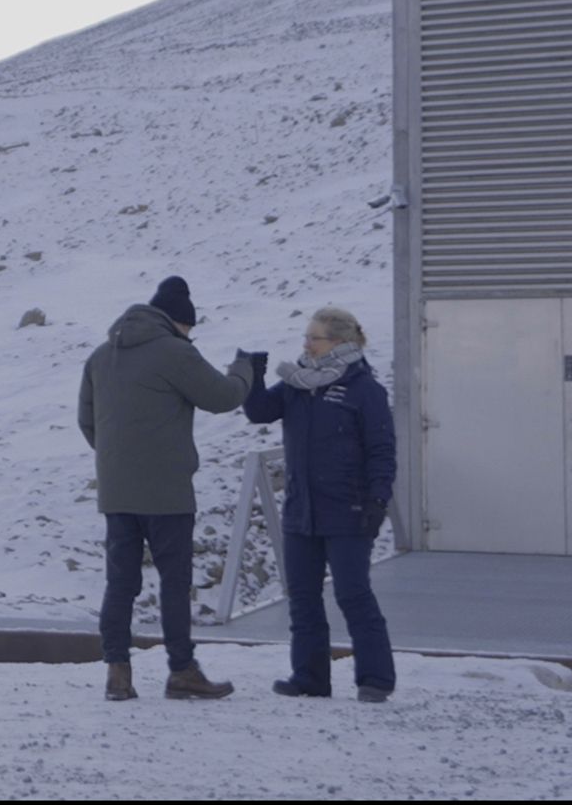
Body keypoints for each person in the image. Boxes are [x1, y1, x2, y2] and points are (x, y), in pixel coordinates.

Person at [78, 275, 256, 701]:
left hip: (117, 493)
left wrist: (119, 462)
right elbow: (223, 397)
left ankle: (117, 675)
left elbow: (88, 421)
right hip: (167, 493)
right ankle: (182, 670)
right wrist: (245, 368)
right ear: (178, 322)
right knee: (174, 582)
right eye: (189, 328)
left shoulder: (101, 356)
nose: (190, 335)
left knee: (120, 583)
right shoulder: (175, 352)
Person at [241, 305, 397, 702]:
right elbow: (259, 411)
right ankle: (309, 678)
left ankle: (375, 679)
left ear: (340, 343)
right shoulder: (298, 383)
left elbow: (381, 450)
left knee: (352, 594)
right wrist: (253, 376)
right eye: (306, 337)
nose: (306, 344)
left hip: (348, 511)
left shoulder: (364, 389)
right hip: (301, 512)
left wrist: (378, 499)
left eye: (314, 337)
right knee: (303, 597)